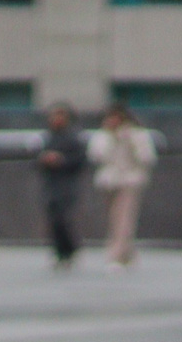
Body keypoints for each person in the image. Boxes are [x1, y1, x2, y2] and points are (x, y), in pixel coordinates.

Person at [89, 101, 156, 268]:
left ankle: (116, 256)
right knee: (114, 218)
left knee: (124, 218)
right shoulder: (103, 135)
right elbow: (97, 156)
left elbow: (147, 158)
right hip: (109, 182)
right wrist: (112, 139)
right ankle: (126, 253)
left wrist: (128, 141)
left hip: (130, 181)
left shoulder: (137, 134)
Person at [33, 103, 89, 270]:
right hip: (50, 185)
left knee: (64, 219)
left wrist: (61, 161)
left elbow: (80, 162)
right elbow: (35, 161)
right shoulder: (47, 138)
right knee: (53, 221)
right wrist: (44, 160)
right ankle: (59, 252)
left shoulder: (73, 138)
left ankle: (70, 250)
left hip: (67, 185)